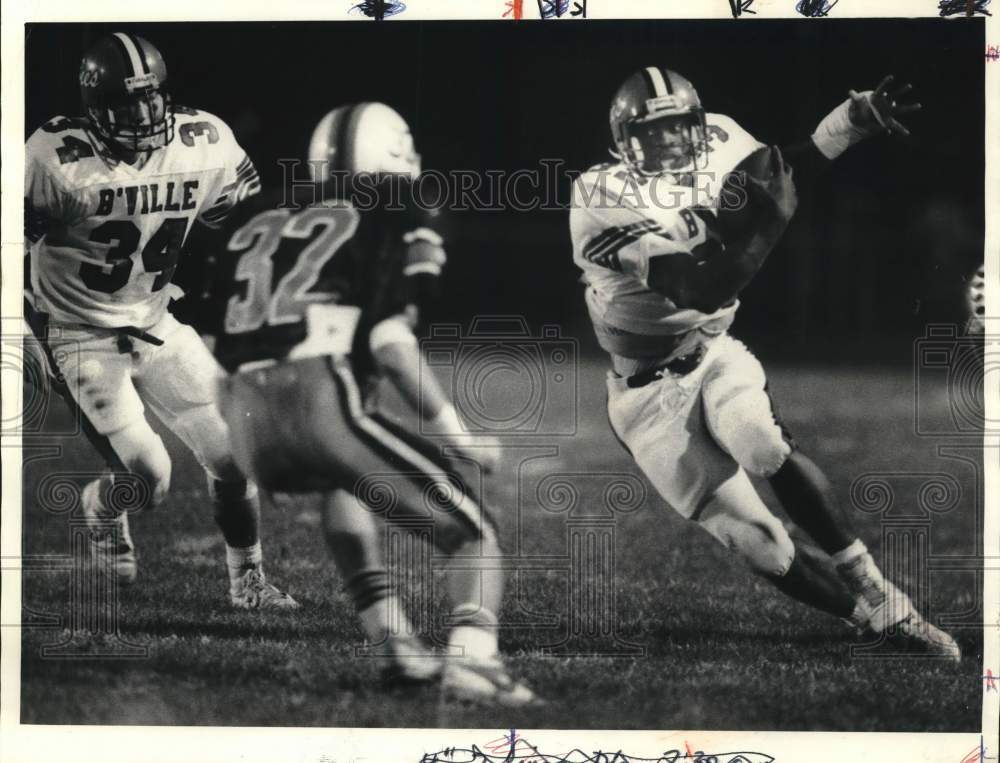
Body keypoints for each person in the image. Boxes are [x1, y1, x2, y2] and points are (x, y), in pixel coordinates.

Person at [570, 66, 960, 660]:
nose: (669, 141)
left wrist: (848, 125)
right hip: (643, 396)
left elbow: (779, 172)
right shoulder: (600, 197)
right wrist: (770, 226)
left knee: (758, 439)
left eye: (678, 127)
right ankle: (870, 619)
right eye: (652, 132)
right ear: (622, 141)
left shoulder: (721, 139)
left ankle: (878, 591)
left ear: (697, 124)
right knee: (760, 545)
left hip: (710, 352)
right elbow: (697, 287)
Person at [198, 102, 536, 703]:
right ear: (397, 155)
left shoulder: (258, 214)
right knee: (475, 534)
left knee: (344, 485)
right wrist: (459, 437)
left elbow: (213, 344)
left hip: (245, 414)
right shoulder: (399, 206)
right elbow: (390, 343)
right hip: (318, 397)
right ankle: (476, 661)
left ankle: (393, 644)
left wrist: (255, 445)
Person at [24, 32, 297, 609]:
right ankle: (103, 505)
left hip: (156, 319)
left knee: (232, 454)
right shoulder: (54, 157)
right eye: (128, 103)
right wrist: (23, 330)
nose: (144, 114)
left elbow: (232, 225)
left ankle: (248, 581)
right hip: (78, 332)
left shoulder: (204, 141)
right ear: (95, 108)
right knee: (149, 478)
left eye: (151, 97)